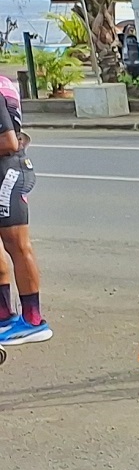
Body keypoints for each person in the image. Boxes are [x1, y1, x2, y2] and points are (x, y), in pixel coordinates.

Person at [0, 68, 46, 344]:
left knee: (17, 245)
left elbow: (8, 140)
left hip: (8, 172)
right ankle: (4, 315)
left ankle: (33, 320)